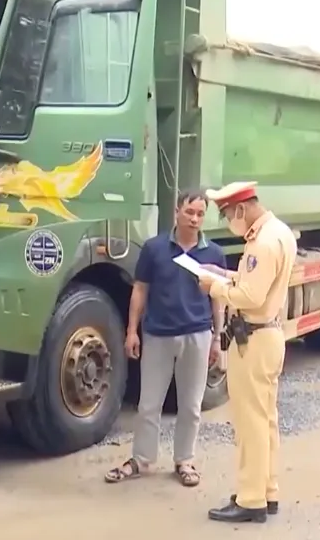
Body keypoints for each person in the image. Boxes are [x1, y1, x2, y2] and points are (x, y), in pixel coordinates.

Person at [103, 189, 226, 488]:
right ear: (177, 211)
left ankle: (185, 460)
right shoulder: (154, 249)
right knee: (149, 404)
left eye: (200, 213)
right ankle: (142, 459)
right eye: (189, 212)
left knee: (191, 405)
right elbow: (140, 290)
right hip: (157, 334)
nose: (195, 219)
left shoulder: (214, 253)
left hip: (197, 334)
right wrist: (132, 330)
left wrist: (217, 338)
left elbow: (219, 299)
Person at [197, 181, 297, 524]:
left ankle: (250, 499)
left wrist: (214, 286)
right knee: (265, 420)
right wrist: (224, 274)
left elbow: (250, 297)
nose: (227, 221)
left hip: (253, 340)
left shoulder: (262, 243)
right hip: (269, 336)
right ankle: (267, 491)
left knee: (250, 423)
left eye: (227, 214)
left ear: (241, 209)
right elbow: (253, 284)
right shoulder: (278, 232)